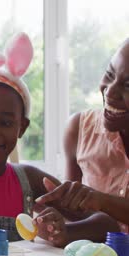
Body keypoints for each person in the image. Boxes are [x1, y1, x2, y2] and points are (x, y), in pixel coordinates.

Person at [0, 33, 119, 247]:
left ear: (22, 127)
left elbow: (107, 224)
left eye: (5, 123)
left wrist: (62, 232)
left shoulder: (31, 180)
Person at [36, 38, 129, 233]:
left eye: (128, 85)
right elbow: (74, 216)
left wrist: (101, 200)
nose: (110, 91)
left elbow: (96, 202)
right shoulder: (79, 130)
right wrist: (57, 212)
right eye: (109, 74)